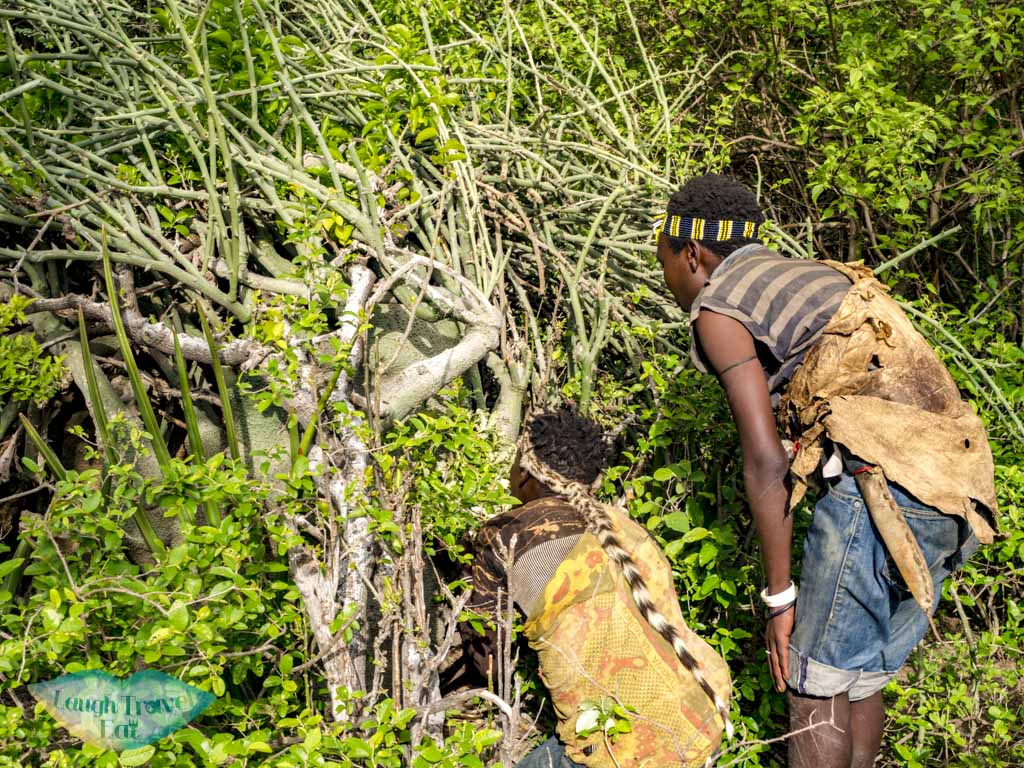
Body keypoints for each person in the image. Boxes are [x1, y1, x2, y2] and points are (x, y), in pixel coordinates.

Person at [652, 173, 997, 767]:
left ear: (692, 254)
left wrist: (779, 598)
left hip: (882, 491)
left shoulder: (720, 306)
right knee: (858, 677)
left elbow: (765, 460)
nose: (669, 282)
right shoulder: (816, 275)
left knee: (813, 681)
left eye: (665, 264)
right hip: (956, 487)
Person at [459, 405, 732, 768]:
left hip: (628, 748)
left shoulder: (504, 536)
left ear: (525, 473)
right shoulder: (623, 524)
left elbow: (488, 659)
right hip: (706, 714)